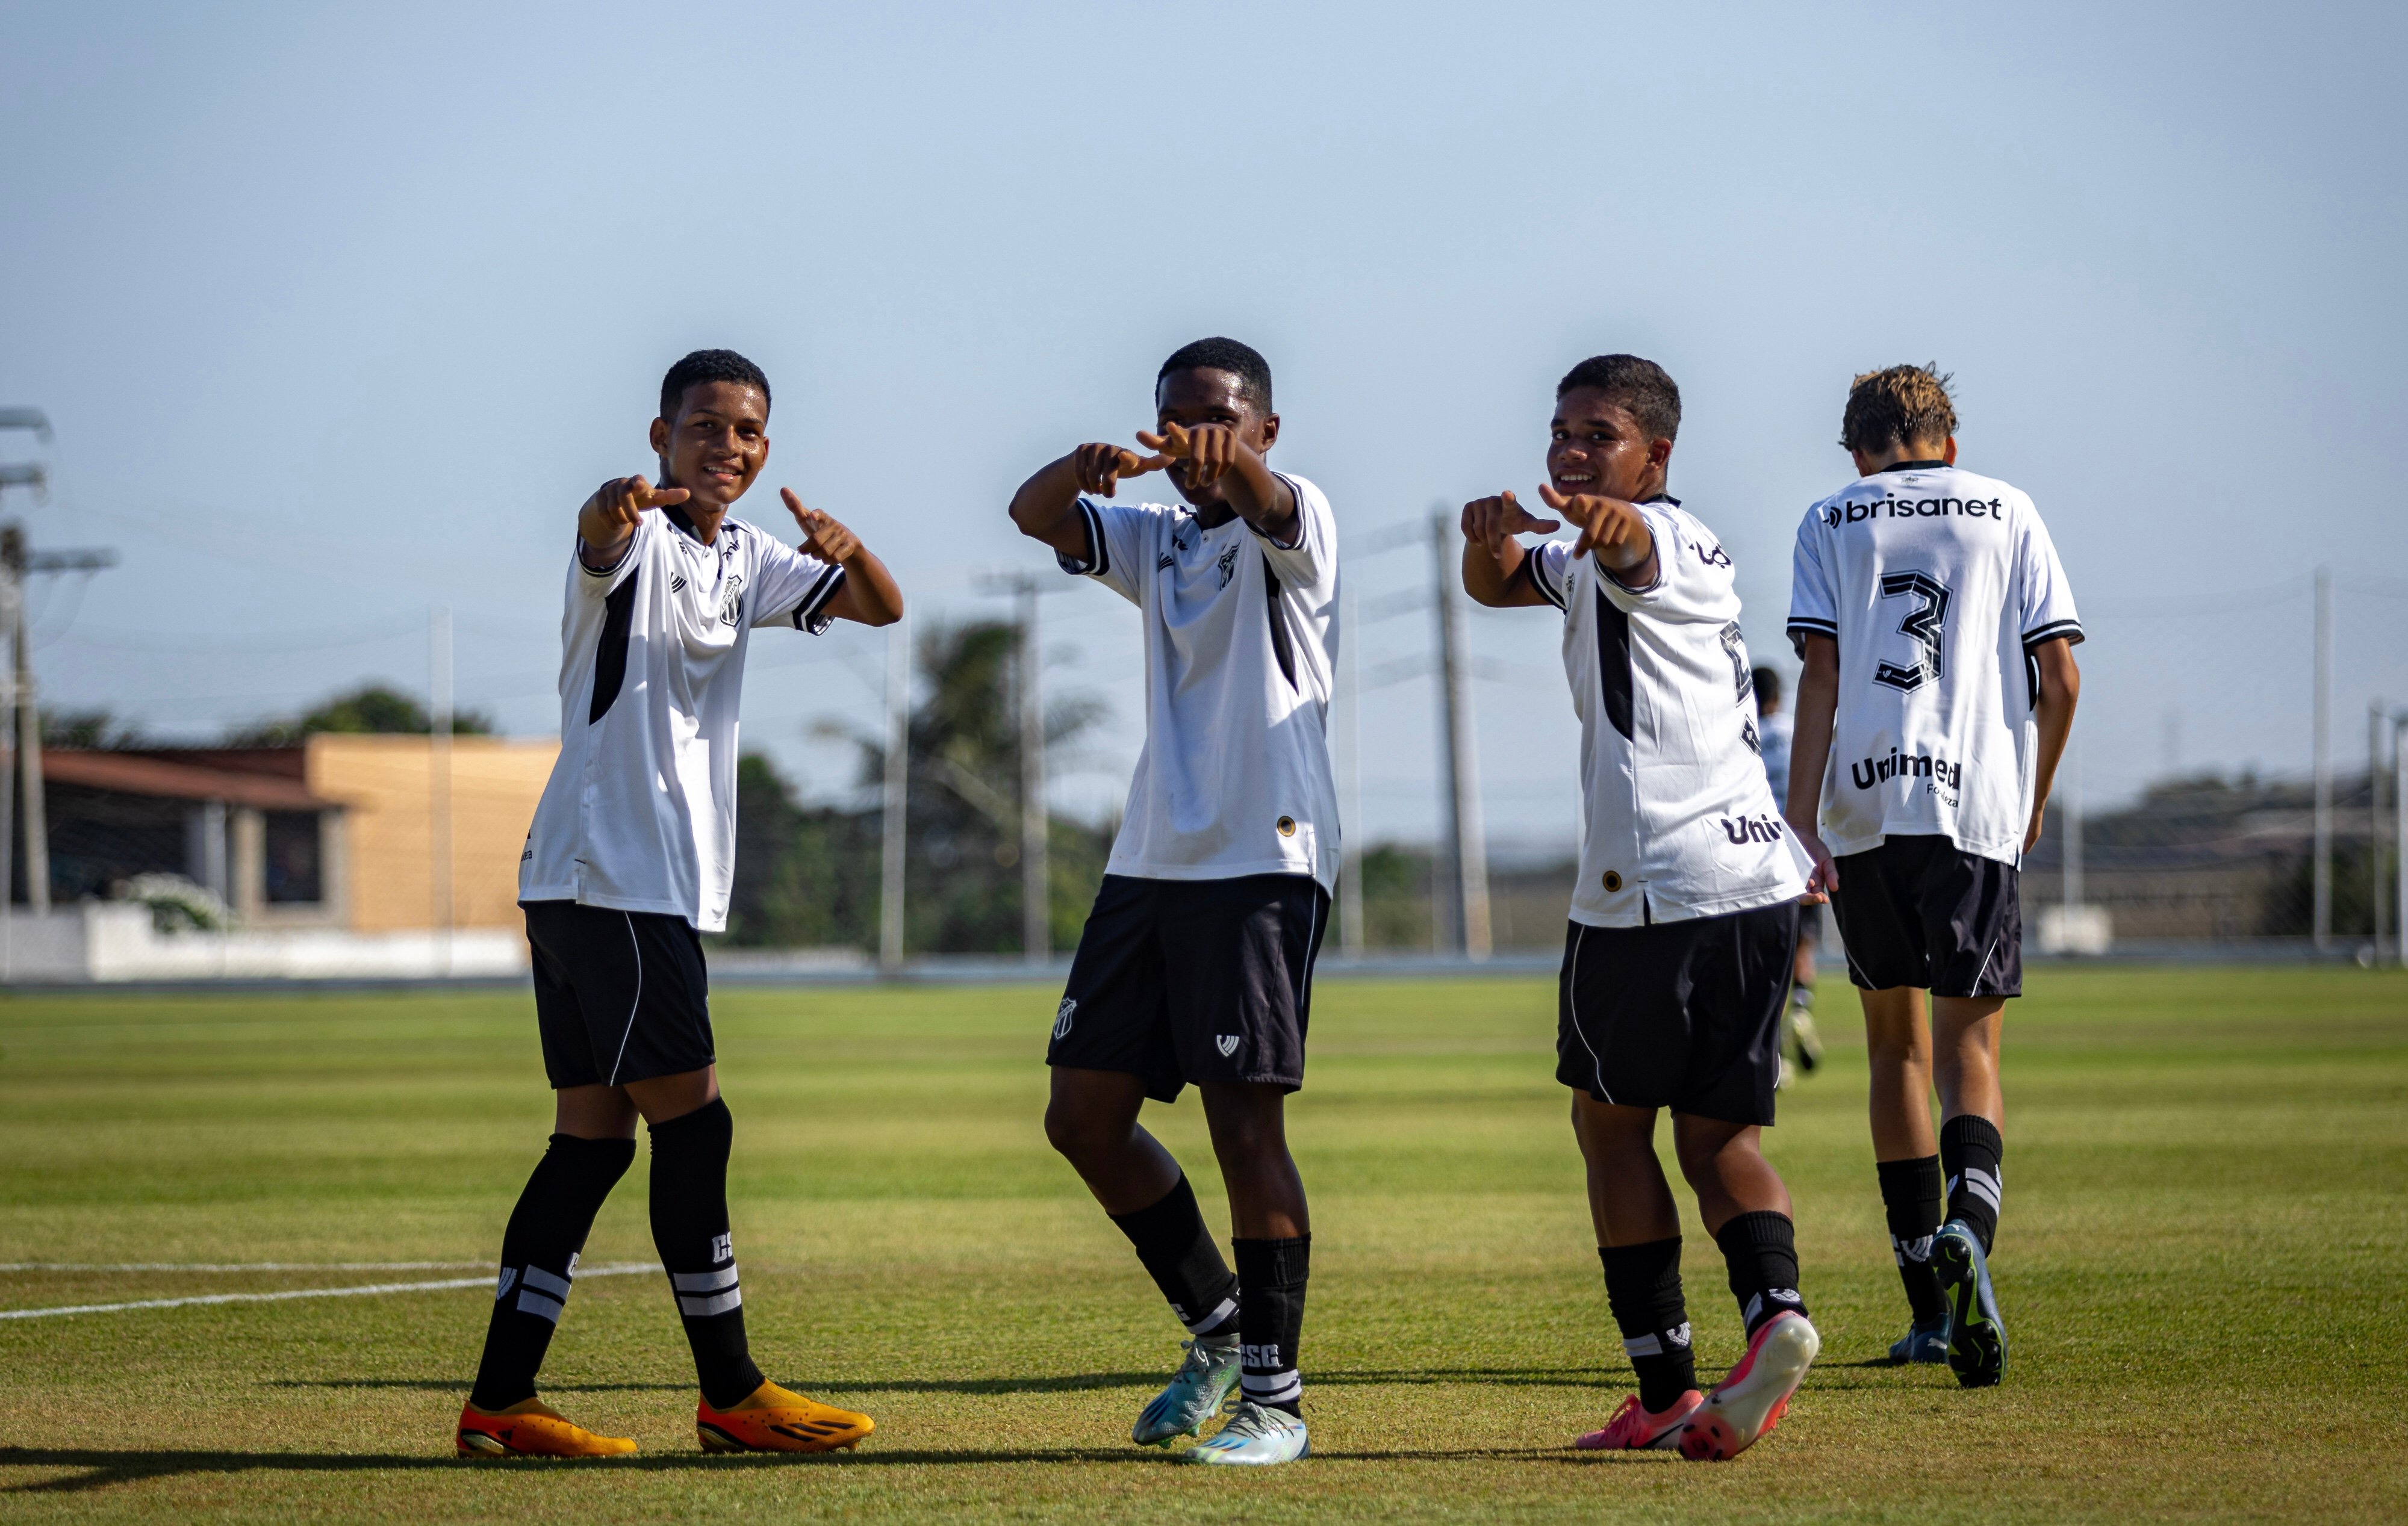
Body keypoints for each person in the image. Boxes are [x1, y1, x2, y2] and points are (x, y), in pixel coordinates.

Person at [457, 349, 905, 1457]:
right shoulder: (636, 539)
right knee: (695, 1125)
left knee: (592, 1145)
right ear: (659, 437)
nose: (728, 447)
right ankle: (731, 1394)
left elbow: (882, 610)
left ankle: (498, 1406)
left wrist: (852, 555)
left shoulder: (746, 556)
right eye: (704, 427)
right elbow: (598, 533)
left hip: (609, 886)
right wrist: (611, 511)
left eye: (748, 432)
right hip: (610, 880)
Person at [1460, 353, 1820, 1461]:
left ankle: (1662, 1391)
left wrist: (1586, 515)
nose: (1569, 451)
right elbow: (1500, 585)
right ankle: (1775, 1317)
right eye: (1559, 432)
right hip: (1757, 883)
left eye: (1597, 435)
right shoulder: (1613, 551)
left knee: (1608, 1126)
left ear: (1654, 454)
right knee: (1721, 1140)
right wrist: (1488, 540)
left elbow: (1624, 543)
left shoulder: (1655, 538)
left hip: (1650, 887)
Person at [1009, 337, 1337, 1466]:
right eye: (1173, 419)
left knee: (1243, 1123)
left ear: (1264, 429)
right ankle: (1217, 1327)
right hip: (1150, 859)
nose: (1193, 439)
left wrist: (1223, 461)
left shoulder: (1298, 521)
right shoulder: (1157, 539)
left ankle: (1275, 1404)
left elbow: (1266, 502)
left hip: (1261, 857)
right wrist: (1087, 463)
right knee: (1081, 1116)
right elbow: (1029, 511)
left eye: (1217, 418)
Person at [1782, 364, 2081, 1387]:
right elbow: (2061, 676)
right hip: (1972, 807)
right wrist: (2030, 792)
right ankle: (1969, 1229)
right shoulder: (2005, 508)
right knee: (1970, 1052)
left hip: (1864, 809)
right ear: (1946, 442)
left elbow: (1818, 672)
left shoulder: (1828, 518)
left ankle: (1923, 1307)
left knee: (1892, 1055)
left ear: (1856, 449)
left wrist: (1795, 822)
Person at [1753, 666, 1825, 1082]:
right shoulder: (1795, 731)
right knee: (1803, 947)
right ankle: (1800, 1009)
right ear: (1779, 697)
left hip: (1758, 856)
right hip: (1799, 857)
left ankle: (1773, 1057)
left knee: (1764, 959)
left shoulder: (1742, 734)